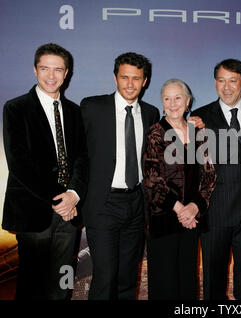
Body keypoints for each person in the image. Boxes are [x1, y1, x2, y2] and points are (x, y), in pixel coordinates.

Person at [2, 43, 87, 299]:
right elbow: (19, 163)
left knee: (63, 280)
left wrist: (73, 194)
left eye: (58, 69)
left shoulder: (74, 111)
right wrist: (59, 199)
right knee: (32, 286)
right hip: (34, 212)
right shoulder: (16, 108)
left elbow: (83, 157)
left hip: (69, 214)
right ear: (34, 70)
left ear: (67, 73)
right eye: (45, 69)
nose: (51, 76)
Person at [80, 52, 160, 300]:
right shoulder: (92, 107)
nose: (129, 84)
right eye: (124, 77)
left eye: (136, 78)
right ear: (114, 77)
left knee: (128, 277)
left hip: (136, 204)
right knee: (105, 276)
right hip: (104, 203)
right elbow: (78, 156)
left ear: (145, 81)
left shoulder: (150, 113)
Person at [191, 59, 241, 300]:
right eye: (221, 81)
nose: (226, 87)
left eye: (232, 81)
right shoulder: (200, 117)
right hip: (215, 210)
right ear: (215, 83)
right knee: (214, 276)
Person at [143, 79, 216, 300]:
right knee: (165, 285)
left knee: (187, 283)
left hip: (192, 221)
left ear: (188, 101)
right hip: (163, 220)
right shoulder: (155, 133)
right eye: (167, 98)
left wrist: (194, 207)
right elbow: (151, 180)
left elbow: (209, 175)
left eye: (178, 98)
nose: (172, 103)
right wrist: (180, 209)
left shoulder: (199, 133)